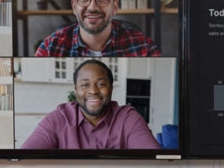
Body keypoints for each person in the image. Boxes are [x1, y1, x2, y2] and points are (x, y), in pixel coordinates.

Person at [21, 59, 159, 150]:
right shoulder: (58, 119)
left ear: (111, 88)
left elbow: (153, 160)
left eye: (101, 84)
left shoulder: (128, 119)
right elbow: (26, 158)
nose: (93, 91)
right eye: (85, 85)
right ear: (76, 90)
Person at [33, 0, 160, 57]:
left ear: (115, 6)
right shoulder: (50, 48)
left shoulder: (144, 47)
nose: (92, 7)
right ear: (74, 6)